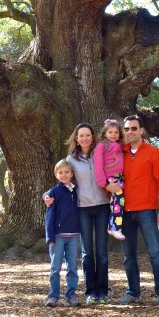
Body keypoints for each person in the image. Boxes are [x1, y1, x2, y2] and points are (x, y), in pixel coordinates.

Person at [108, 114, 159, 306]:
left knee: (155, 252)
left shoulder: (154, 153)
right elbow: (110, 177)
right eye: (126, 129)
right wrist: (107, 187)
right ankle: (133, 292)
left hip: (147, 210)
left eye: (134, 128)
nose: (130, 132)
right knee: (129, 256)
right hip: (124, 212)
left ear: (141, 130)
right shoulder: (119, 153)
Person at [45, 123, 111, 305]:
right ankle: (90, 291)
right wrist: (47, 196)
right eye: (81, 135)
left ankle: (102, 291)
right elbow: (62, 183)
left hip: (103, 206)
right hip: (82, 208)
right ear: (76, 138)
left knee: (102, 252)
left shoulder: (101, 154)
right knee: (87, 252)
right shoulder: (71, 160)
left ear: (92, 136)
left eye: (87, 135)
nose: (84, 138)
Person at [44, 159, 82, 308]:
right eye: (60, 172)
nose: (64, 175)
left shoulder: (76, 190)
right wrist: (50, 236)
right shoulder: (54, 192)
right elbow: (49, 215)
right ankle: (53, 295)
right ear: (56, 174)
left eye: (67, 172)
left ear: (72, 173)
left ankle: (71, 295)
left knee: (72, 267)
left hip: (73, 235)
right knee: (55, 267)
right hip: (58, 236)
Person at [93, 119, 126, 241]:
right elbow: (98, 164)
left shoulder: (121, 145)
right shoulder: (102, 146)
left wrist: (144, 141)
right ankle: (114, 227)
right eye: (110, 132)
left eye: (116, 132)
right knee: (118, 200)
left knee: (119, 201)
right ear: (105, 133)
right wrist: (103, 182)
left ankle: (117, 225)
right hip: (110, 178)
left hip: (120, 177)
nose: (113, 134)